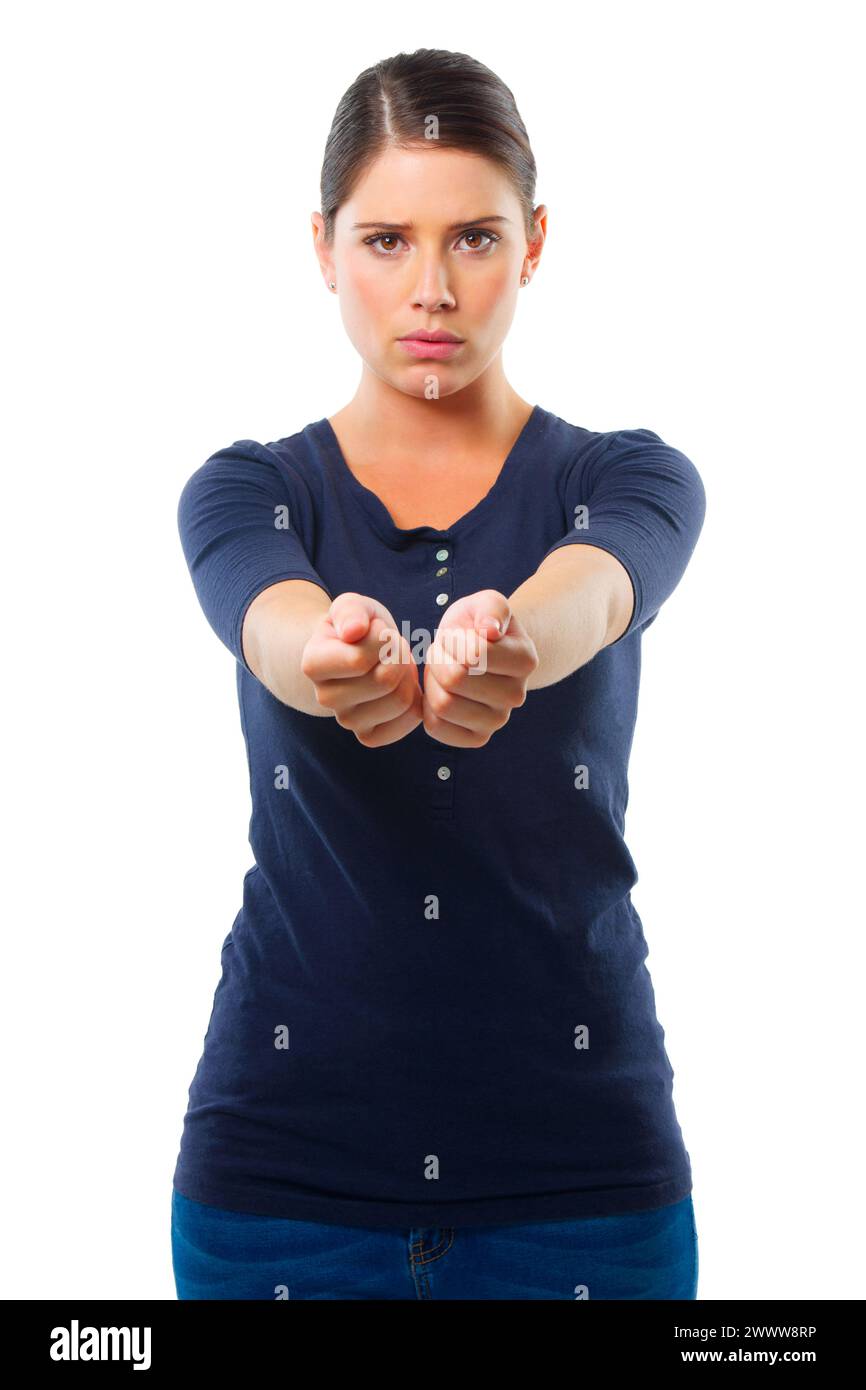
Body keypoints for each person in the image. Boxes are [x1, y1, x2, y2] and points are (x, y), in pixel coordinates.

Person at [170, 47, 706, 1301]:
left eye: (471, 238)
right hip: (278, 1190)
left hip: (582, 1188)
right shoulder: (250, 489)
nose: (429, 290)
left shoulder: (627, 477)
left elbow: (601, 588)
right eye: (383, 241)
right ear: (320, 247)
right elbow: (268, 617)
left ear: (531, 245)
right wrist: (326, 655)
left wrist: (508, 636)